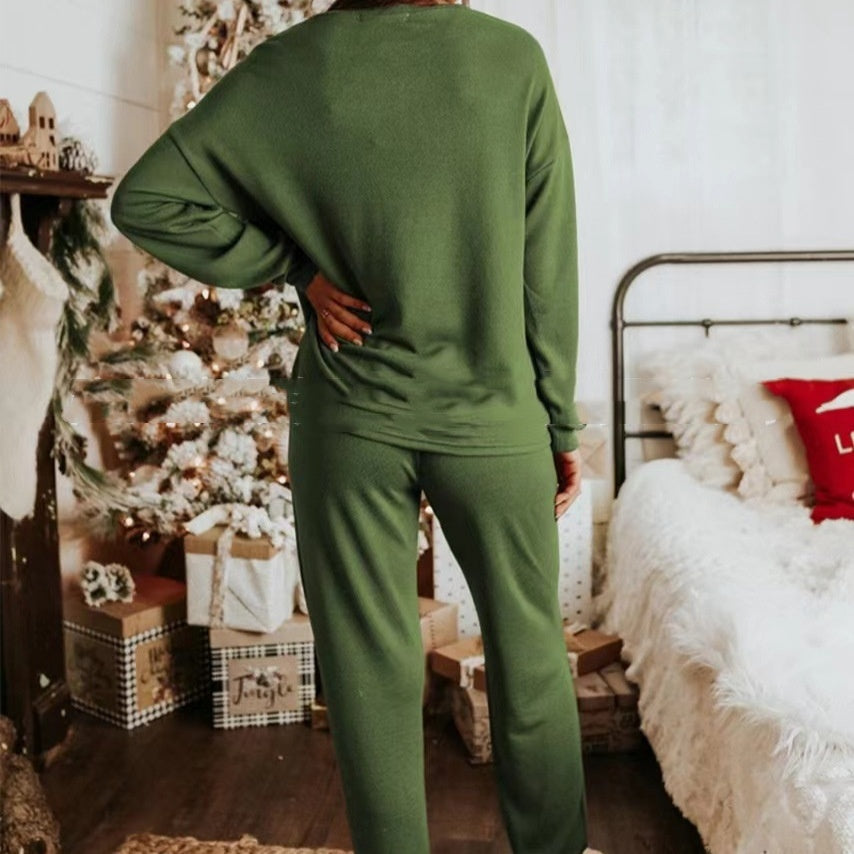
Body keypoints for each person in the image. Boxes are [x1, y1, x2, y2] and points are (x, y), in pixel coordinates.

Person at [110, 1, 596, 852]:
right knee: (529, 665)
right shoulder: (510, 58)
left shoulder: (293, 62)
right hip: (493, 418)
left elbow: (147, 199)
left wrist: (293, 268)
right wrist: (558, 418)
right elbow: (546, 260)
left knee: (369, 674)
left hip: (349, 421)